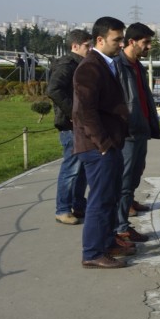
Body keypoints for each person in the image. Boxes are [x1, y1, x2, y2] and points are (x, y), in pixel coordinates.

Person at [73, 16, 132, 269]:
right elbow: (85, 111)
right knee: (99, 200)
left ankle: (106, 243)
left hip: (108, 144)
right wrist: (103, 144)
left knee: (109, 197)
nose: (121, 44)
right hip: (98, 148)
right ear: (100, 39)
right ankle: (93, 252)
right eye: (116, 39)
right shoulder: (90, 67)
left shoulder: (106, 64)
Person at [114, 22, 160, 245]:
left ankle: (124, 220)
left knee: (133, 176)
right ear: (131, 42)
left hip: (140, 129)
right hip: (127, 133)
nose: (149, 47)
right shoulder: (117, 66)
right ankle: (120, 228)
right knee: (123, 181)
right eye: (146, 42)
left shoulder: (137, 66)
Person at [46, 28, 93, 225]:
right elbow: (53, 89)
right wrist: (72, 112)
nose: (90, 49)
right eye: (87, 45)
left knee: (82, 168)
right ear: (75, 45)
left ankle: (78, 206)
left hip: (79, 124)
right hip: (70, 125)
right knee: (72, 168)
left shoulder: (79, 63)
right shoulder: (67, 64)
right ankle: (63, 209)